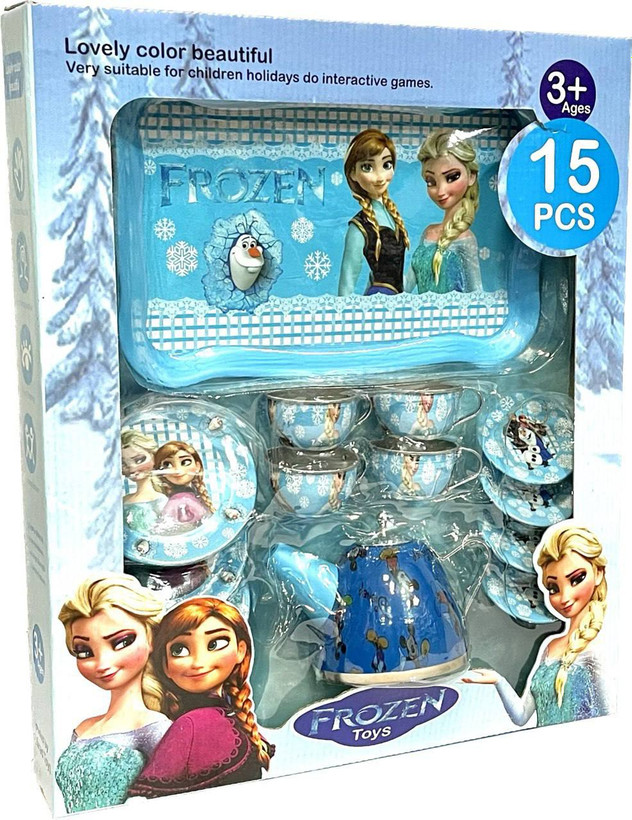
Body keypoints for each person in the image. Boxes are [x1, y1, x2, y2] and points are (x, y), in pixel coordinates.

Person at [463, 522, 609, 726]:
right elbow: (521, 716)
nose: (565, 597)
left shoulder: (600, 649)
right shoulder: (550, 647)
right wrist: (497, 680)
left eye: (576, 579)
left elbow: (611, 718)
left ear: (598, 573)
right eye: (553, 588)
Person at [129, 597, 273, 797]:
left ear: (241, 650)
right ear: (165, 665)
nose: (198, 662)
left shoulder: (230, 717)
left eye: (215, 643)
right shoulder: (192, 724)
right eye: (179, 650)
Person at [55, 574, 170, 812]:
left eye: (121, 642)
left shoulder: (153, 728)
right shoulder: (83, 728)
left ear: (151, 638)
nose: (102, 664)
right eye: (84, 651)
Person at [338, 128, 410, 296]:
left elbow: (398, 277)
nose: (380, 177)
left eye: (386, 165)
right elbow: (347, 284)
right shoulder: (359, 226)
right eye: (367, 167)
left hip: (396, 300)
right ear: (353, 174)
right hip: (378, 301)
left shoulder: (392, 215)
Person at [411, 129, 482, 293]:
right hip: (420, 309)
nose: (441, 191)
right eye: (431, 182)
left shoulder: (465, 239)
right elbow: (409, 282)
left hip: (453, 309)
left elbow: (475, 290)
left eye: (452, 177)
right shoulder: (428, 232)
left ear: (471, 176)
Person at [153, 440, 216, 534]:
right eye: (167, 465)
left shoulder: (192, 496)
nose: (178, 470)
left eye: (185, 462)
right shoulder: (179, 500)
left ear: (197, 466)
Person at [121, 429, 167, 534]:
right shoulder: (123, 500)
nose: (132, 468)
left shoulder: (160, 500)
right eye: (123, 464)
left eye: (139, 460)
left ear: (154, 457)